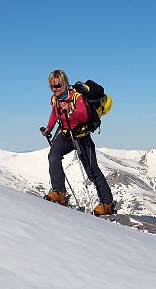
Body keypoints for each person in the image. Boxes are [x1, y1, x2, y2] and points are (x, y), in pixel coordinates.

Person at [41, 69, 114, 216]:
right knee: (53, 155)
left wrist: (70, 109)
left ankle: (107, 203)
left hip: (82, 136)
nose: (54, 89)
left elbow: (84, 115)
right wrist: (49, 128)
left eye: (57, 86)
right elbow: (55, 114)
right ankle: (59, 192)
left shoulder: (77, 97)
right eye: (52, 86)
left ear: (65, 83)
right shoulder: (55, 99)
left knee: (92, 170)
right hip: (66, 135)